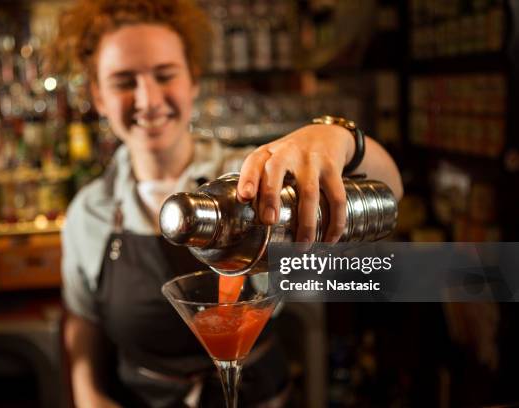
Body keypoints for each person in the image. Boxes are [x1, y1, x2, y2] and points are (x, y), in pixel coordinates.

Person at [56, 0, 403, 407]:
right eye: (123, 81)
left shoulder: (251, 179)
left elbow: (391, 191)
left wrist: (343, 139)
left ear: (193, 80)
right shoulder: (89, 211)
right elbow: (83, 328)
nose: (148, 99)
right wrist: (89, 396)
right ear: (97, 95)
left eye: (165, 75)